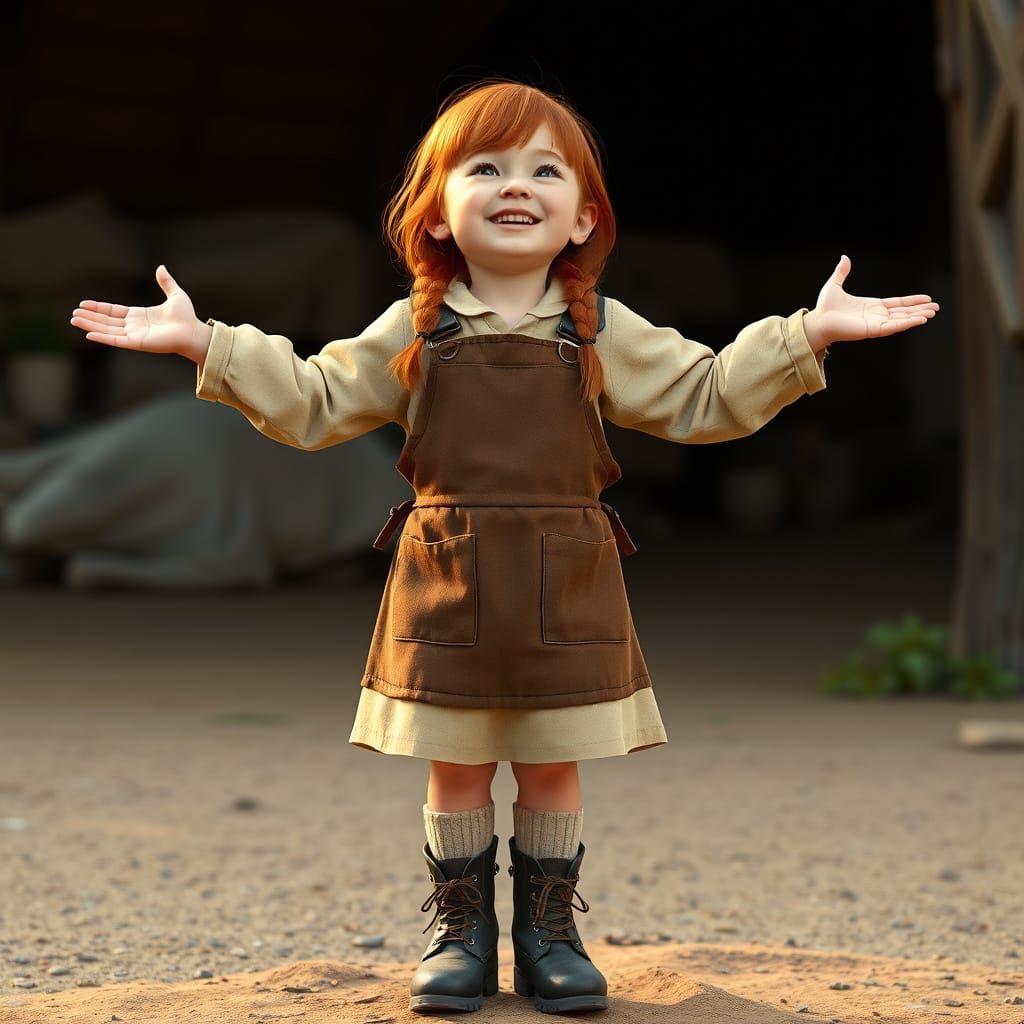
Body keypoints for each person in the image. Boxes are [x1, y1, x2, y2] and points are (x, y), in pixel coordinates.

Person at [69, 77, 940, 1015]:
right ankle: (462, 934)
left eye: (544, 169)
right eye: (485, 167)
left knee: (552, 758)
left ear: (582, 217)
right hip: (447, 578)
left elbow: (707, 394)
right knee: (458, 761)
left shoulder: (599, 327)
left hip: (567, 579)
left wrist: (806, 333)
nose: (515, 184)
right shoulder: (417, 326)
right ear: (438, 212)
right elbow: (317, 400)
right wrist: (210, 345)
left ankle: (550, 932)